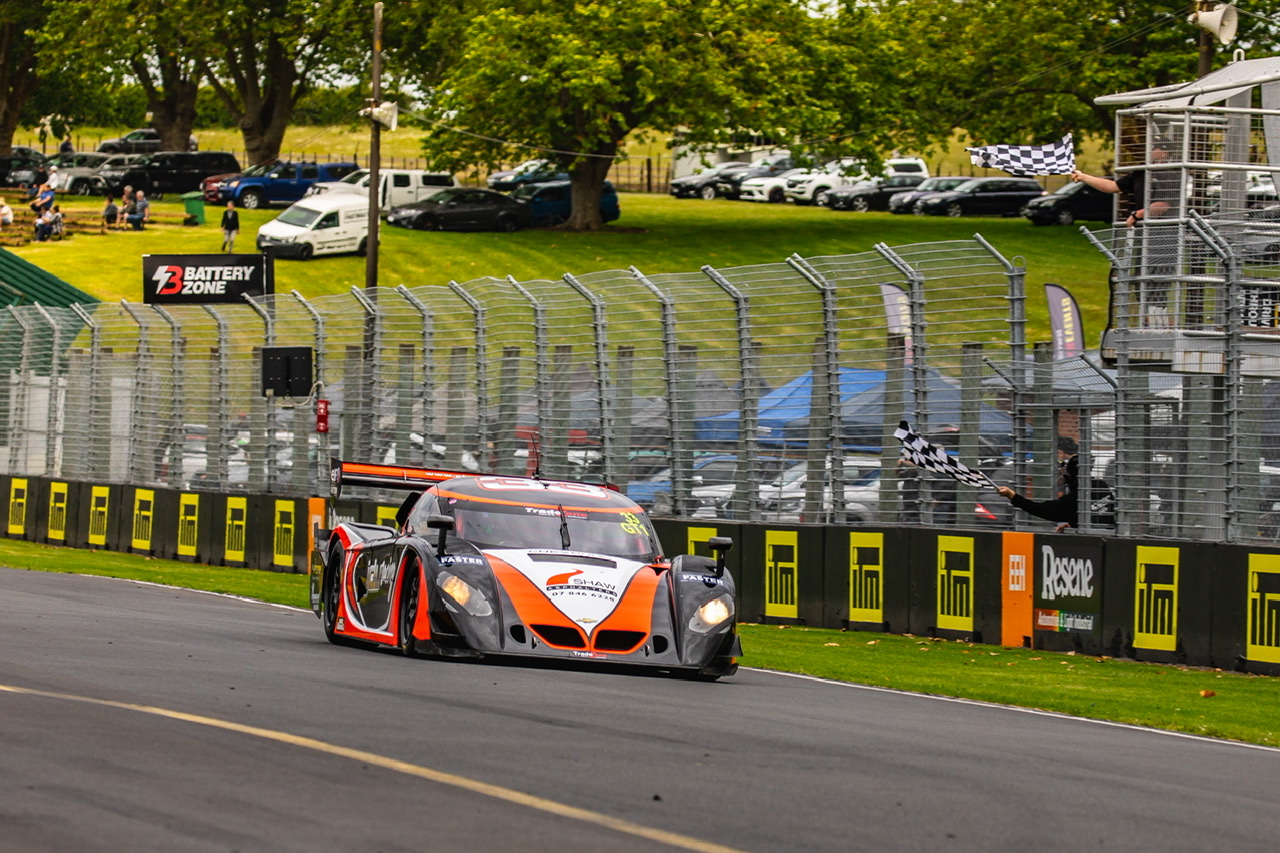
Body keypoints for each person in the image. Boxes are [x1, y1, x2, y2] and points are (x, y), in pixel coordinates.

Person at [996, 455, 1114, 533]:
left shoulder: (1071, 500)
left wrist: (1012, 495)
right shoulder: (1100, 485)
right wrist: (1074, 526)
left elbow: (1038, 509)